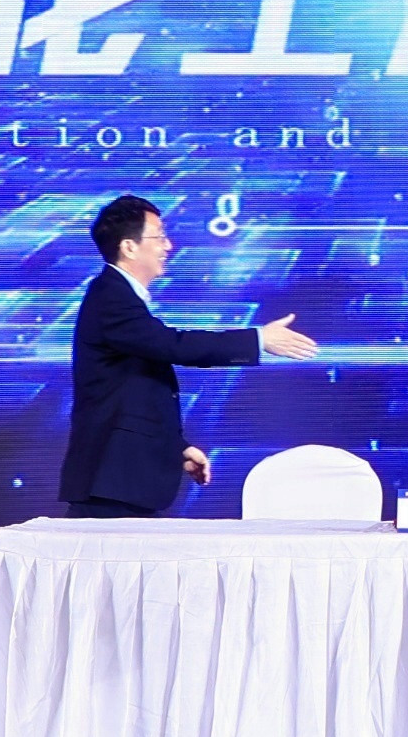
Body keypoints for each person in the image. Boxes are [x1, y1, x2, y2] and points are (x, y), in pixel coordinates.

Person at [60, 195, 317, 519]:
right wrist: (257, 339)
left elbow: (133, 391)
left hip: (122, 479)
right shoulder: (111, 297)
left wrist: (175, 447)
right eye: (159, 237)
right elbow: (172, 345)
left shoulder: (117, 297)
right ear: (129, 247)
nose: (168, 246)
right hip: (111, 480)